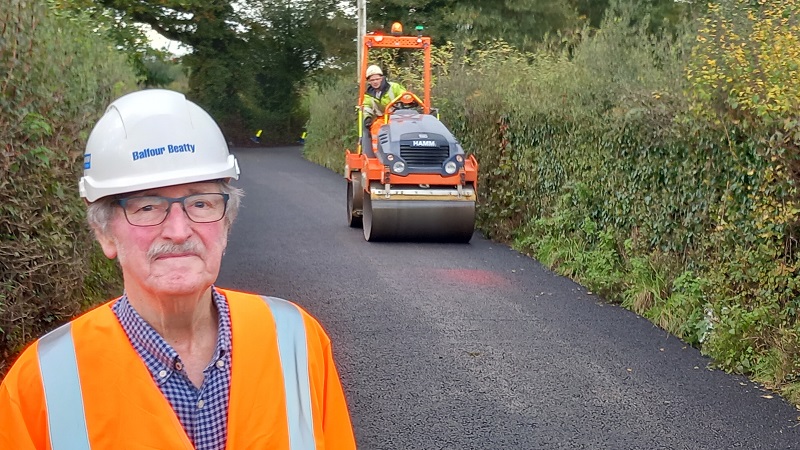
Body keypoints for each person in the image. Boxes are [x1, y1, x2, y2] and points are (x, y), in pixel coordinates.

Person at [0, 89, 357, 449]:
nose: (178, 230)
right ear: (104, 233)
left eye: (200, 202)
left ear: (226, 223)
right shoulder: (41, 385)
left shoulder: (295, 339)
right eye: (147, 207)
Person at [361, 64, 406, 129]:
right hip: (382, 119)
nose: (375, 82)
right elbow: (367, 108)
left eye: (377, 79)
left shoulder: (394, 87)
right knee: (375, 129)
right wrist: (367, 118)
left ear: (382, 78)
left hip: (398, 116)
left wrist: (409, 100)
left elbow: (405, 95)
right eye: (372, 80)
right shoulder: (369, 95)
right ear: (369, 82)